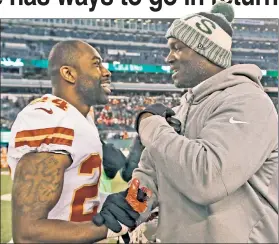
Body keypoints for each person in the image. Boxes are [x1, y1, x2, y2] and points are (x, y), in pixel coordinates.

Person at [95, 2, 278, 243]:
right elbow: (154, 174)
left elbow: (209, 178)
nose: (168, 58)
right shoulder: (182, 108)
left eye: (177, 48)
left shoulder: (249, 101)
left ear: (204, 49)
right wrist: (132, 201)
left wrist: (150, 124)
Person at [7, 40, 145, 243]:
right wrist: (109, 227)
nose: (106, 72)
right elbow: (28, 233)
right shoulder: (50, 119)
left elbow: (72, 201)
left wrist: (112, 202)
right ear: (69, 74)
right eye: (96, 64)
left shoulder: (80, 118)